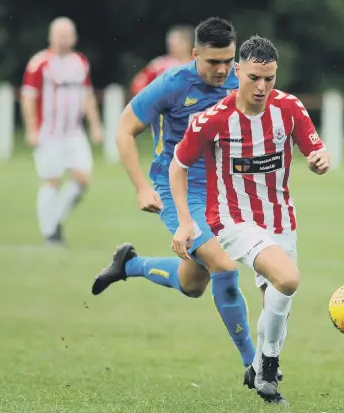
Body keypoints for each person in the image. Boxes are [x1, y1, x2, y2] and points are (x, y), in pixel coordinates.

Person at [169, 35, 330, 405]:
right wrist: (184, 221)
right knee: (288, 278)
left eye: (269, 79)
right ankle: (268, 366)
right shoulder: (213, 119)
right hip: (232, 219)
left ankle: (258, 368)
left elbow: (315, 148)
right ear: (238, 71)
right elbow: (179, 165)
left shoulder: (289, 108)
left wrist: (320, 160)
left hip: (281, 218)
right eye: (254, 77)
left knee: (278, 303)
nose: (261, 87)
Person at [91, 18, 257, 372]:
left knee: (193, 284)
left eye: (228, 61)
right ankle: (256, 366)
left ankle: (128, 265)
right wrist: (142, 188)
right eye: (213, 61)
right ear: (195, 54)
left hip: (223, 192)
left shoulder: (241, 80)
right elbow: (123, 130)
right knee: (224, 267)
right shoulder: (172, 84)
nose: (222, 69)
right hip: (177, 189)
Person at [21, 17, 103, 245]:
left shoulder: (80, 62)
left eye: (67, 35)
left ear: (74, 37)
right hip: (49, 133)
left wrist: (95, 124)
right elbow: (28, 97)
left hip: (74, 132)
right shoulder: (40, 63)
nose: (64, 39)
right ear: (51, 37)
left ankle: (54, 218)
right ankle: (50, 233)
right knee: (51, 180)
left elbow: (87, 96)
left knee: (83, 179)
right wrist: (31, 128)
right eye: (59, 35)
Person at [129, 25, 194, 96]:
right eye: (170, 44)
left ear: (188, 44)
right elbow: (137, 84)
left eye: (177, 43)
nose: (172, 47)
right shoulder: (159, 65)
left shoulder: (199, 66)